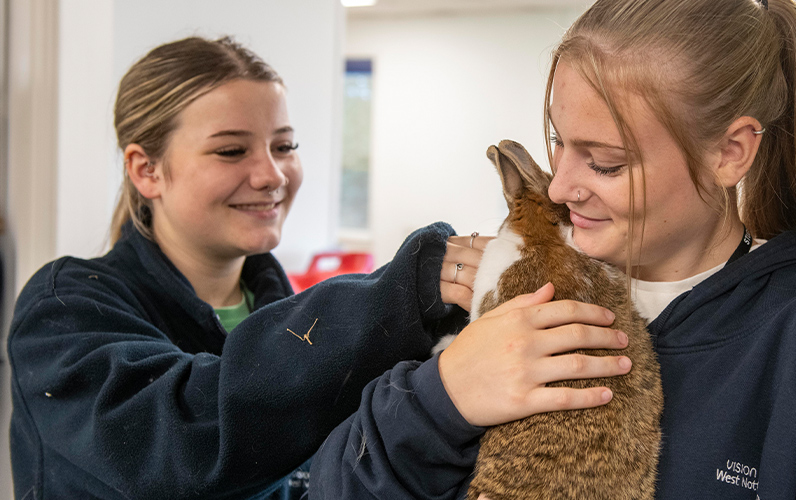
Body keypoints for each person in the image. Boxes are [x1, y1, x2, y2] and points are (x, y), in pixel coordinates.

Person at [7, 36, 628, 499]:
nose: (271, 175)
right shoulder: (65, 311)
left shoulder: (283, 313)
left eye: (284, 146)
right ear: (147, 170)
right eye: (231, 150)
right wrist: (396, 298)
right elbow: (189, 436)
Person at [309, 0, 796, 498]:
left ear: (730, 152)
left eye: (606, 163)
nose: (560, 188)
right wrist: (439, 398)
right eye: (558, 142)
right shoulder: (514, 297)